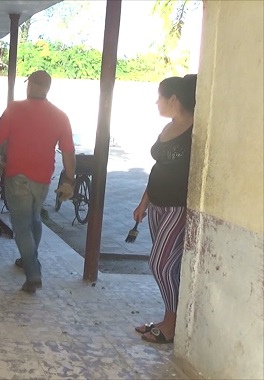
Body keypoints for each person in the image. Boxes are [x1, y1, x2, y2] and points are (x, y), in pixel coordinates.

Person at [0, 70, 75, 294]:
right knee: (35, 218)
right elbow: (68, 152)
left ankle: (33, 272)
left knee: (22, 225)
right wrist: (69, 180)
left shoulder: (15, 109)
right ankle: (27, 259)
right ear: (47, 87)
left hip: (18, 177)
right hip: (43, 179)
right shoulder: (60, 115)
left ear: (29, 85)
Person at [133, 74, 197, 344]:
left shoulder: (197, 129)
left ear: (173, 99)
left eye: (160, 96)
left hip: (177, 208)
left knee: (159, 264)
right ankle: (170, 318)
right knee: (169, 266)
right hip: (158, 205)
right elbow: (158, 169)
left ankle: (171, 323)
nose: (156, 102)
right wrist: (144, 202)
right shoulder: (168, 127)